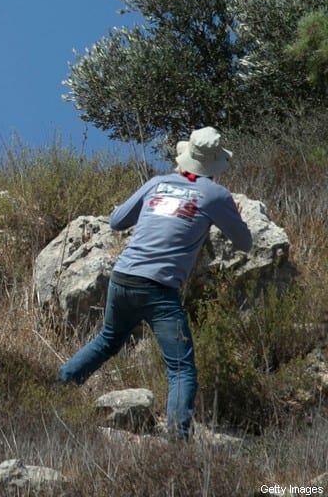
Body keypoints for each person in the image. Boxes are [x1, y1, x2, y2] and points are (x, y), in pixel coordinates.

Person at [58, 127, 252, 439]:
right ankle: (177, 439)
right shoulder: (216, 195)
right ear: (215, 165)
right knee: (180, 368)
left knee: (108, 341)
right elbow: (244, 243)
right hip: (160, 290)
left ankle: (57, 390)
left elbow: (117, 220)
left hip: (123, 277)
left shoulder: (158, 182)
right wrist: (231, 217)